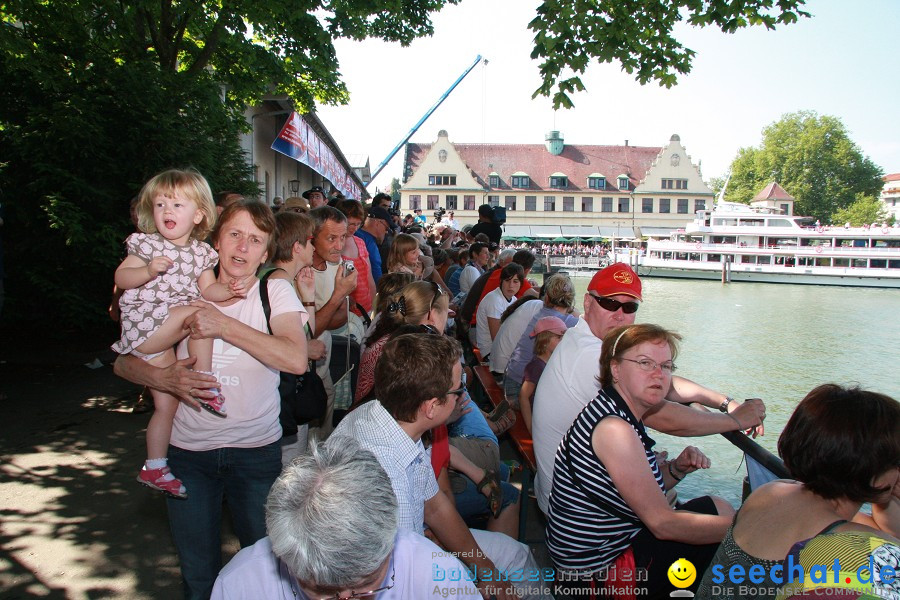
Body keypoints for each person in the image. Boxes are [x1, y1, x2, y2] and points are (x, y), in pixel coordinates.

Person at [114, 199, 308, 599]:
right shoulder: (179, 283)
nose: (242, 248)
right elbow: (122, 363)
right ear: (215, 241)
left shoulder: (274, 290)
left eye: (255, 240)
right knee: (198, 574)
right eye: (234, 235)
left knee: (267, 572)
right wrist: (160, 377)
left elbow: (295, 359)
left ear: (267, 251)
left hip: (256, 453)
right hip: (189, 454)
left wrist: (224, 326)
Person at [532, 263, 766, 515]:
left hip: (568, 491)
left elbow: (662, 381)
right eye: (610, 304)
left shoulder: (585, 339)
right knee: (722, 512)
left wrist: (723, 400)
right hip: (579, 510)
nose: (619, 315)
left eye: (629, 306)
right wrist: (733, 420)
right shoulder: (590, 355)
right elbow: (664, 417)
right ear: (588, 303)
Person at [331, 333, 552, 600]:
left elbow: (435, 506)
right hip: (389, 579)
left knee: (517, 556)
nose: (461, 397)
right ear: (432, 406)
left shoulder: (390, 420)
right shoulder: (389, 476)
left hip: (404, 554)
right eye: (458, 390)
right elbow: (403, 582)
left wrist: (487, 571)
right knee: (514, 569)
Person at [547, 324, 736, 598]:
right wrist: (755, 526)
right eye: (645, 363)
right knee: (728, 534)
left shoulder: (613, 409)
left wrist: (675, 470)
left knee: (717, 508)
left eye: (666, 366)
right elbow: (663, 524)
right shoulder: (615, 429)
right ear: (615, 369)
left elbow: (627, 490)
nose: (658, 374)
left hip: (594, 556)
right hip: (596, 576)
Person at [696, 384, 900, 599]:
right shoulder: (858, 547)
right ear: (872, 469)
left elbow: (884, 532)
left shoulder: (771, 492)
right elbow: (884, 542)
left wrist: (885, 488)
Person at [211, 438, 481, 599]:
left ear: (388, 543)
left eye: (365, 586)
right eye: (321, 590)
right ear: (286, 558)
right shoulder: (240, 585)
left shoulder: (439, 580)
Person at [112, 169, 236, 498]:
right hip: (145, 326)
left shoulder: (201, 254)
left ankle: (155, 466)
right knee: (200, 316)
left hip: (162, 336)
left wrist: (229, 291)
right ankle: (206, 380)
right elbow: (122, 279)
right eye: (161, 204)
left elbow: (209, 290)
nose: (167, 211)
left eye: (177, 205)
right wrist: (146, 270)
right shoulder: (147, 245)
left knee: (167, 405)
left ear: (198, 215)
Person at [266, 211, 328, 465]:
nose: (314, 247)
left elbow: (308, 334)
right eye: (311, 240)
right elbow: (285, 345)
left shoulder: (285, 281)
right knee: (288, 467)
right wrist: (304, 351)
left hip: (285, 389)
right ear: (297, 247)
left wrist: (309, 296)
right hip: (279, 393)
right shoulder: (278, 285)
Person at [354, 280, 450, 405]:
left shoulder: (392, 335)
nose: (447, 317)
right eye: (445, 312)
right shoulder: (408, 352)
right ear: (432, 316)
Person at [308, 206, 359, 437]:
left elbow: (342, 315)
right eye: (331, 238)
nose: (339, 246)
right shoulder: (301, 271)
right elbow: (310, 330)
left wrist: (325, 315)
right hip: (305, 370)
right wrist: (338, 298)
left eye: (343, 237)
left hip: (324, 363)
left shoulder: (335, 266)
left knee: (325, 422)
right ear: (312, 236)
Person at [503, 273, 578, 405]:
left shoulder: (542, 313)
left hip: (510, 378)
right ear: (571, 300)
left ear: (547, 298)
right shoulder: (566, 322)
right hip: (521, 389)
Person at [518, 316, 568, 433]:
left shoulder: (552, 361)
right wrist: (531, 427)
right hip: (538, 415)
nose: (563, 341)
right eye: (559, 337)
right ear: (544, 341)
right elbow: (523, 396)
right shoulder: (536, 367)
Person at [475, 263, 524, 358]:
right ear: (501, 281)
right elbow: (497, 338)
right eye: (507, 281)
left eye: (515, 281)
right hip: (490, 352)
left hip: (502, 349)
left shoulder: (513, 299)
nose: (511, 285)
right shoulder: (494, 299)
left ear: (521, 283)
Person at [336, 199, 376, 315]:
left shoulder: (360, 242)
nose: (355, 228)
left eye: (358, 224)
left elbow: (369, 277)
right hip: (344, 312)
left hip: (365, 309)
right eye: (351, 224)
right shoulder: (335, 246)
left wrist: (374, 306)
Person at [355, 205, 395, 283]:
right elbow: (375, 272)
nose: (386, 232)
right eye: (386, 228)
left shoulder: (358, 235)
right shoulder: (365, 241)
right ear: (377, 223)